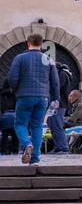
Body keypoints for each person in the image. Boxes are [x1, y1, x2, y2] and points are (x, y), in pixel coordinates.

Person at [7, 33, 59, 165]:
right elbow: (55, 82)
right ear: (41, 44)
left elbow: (12, 78)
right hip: (43, 98)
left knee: (20, 124)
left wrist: (15, 89)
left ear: (28, 43)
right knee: (37, 127)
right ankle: (35, 159)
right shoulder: (48, 59)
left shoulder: (19, 58)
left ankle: (26, 144)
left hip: (24, 96)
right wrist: (55, 98)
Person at [47, 60, 76, 154]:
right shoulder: (60, 74)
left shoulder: (62, 75)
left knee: (57, 125)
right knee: (52, 125)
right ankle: (58, 147)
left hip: (59, 104)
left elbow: (56, 87)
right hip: (55, 104)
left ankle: (64, 148)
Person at [0, 82, 18, 156]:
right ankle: (15, 151)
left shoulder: (2, 95)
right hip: (14, 115)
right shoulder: (16, 94)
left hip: (4, 116)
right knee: (14, 136)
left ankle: (3, 151)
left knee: (4, 136)